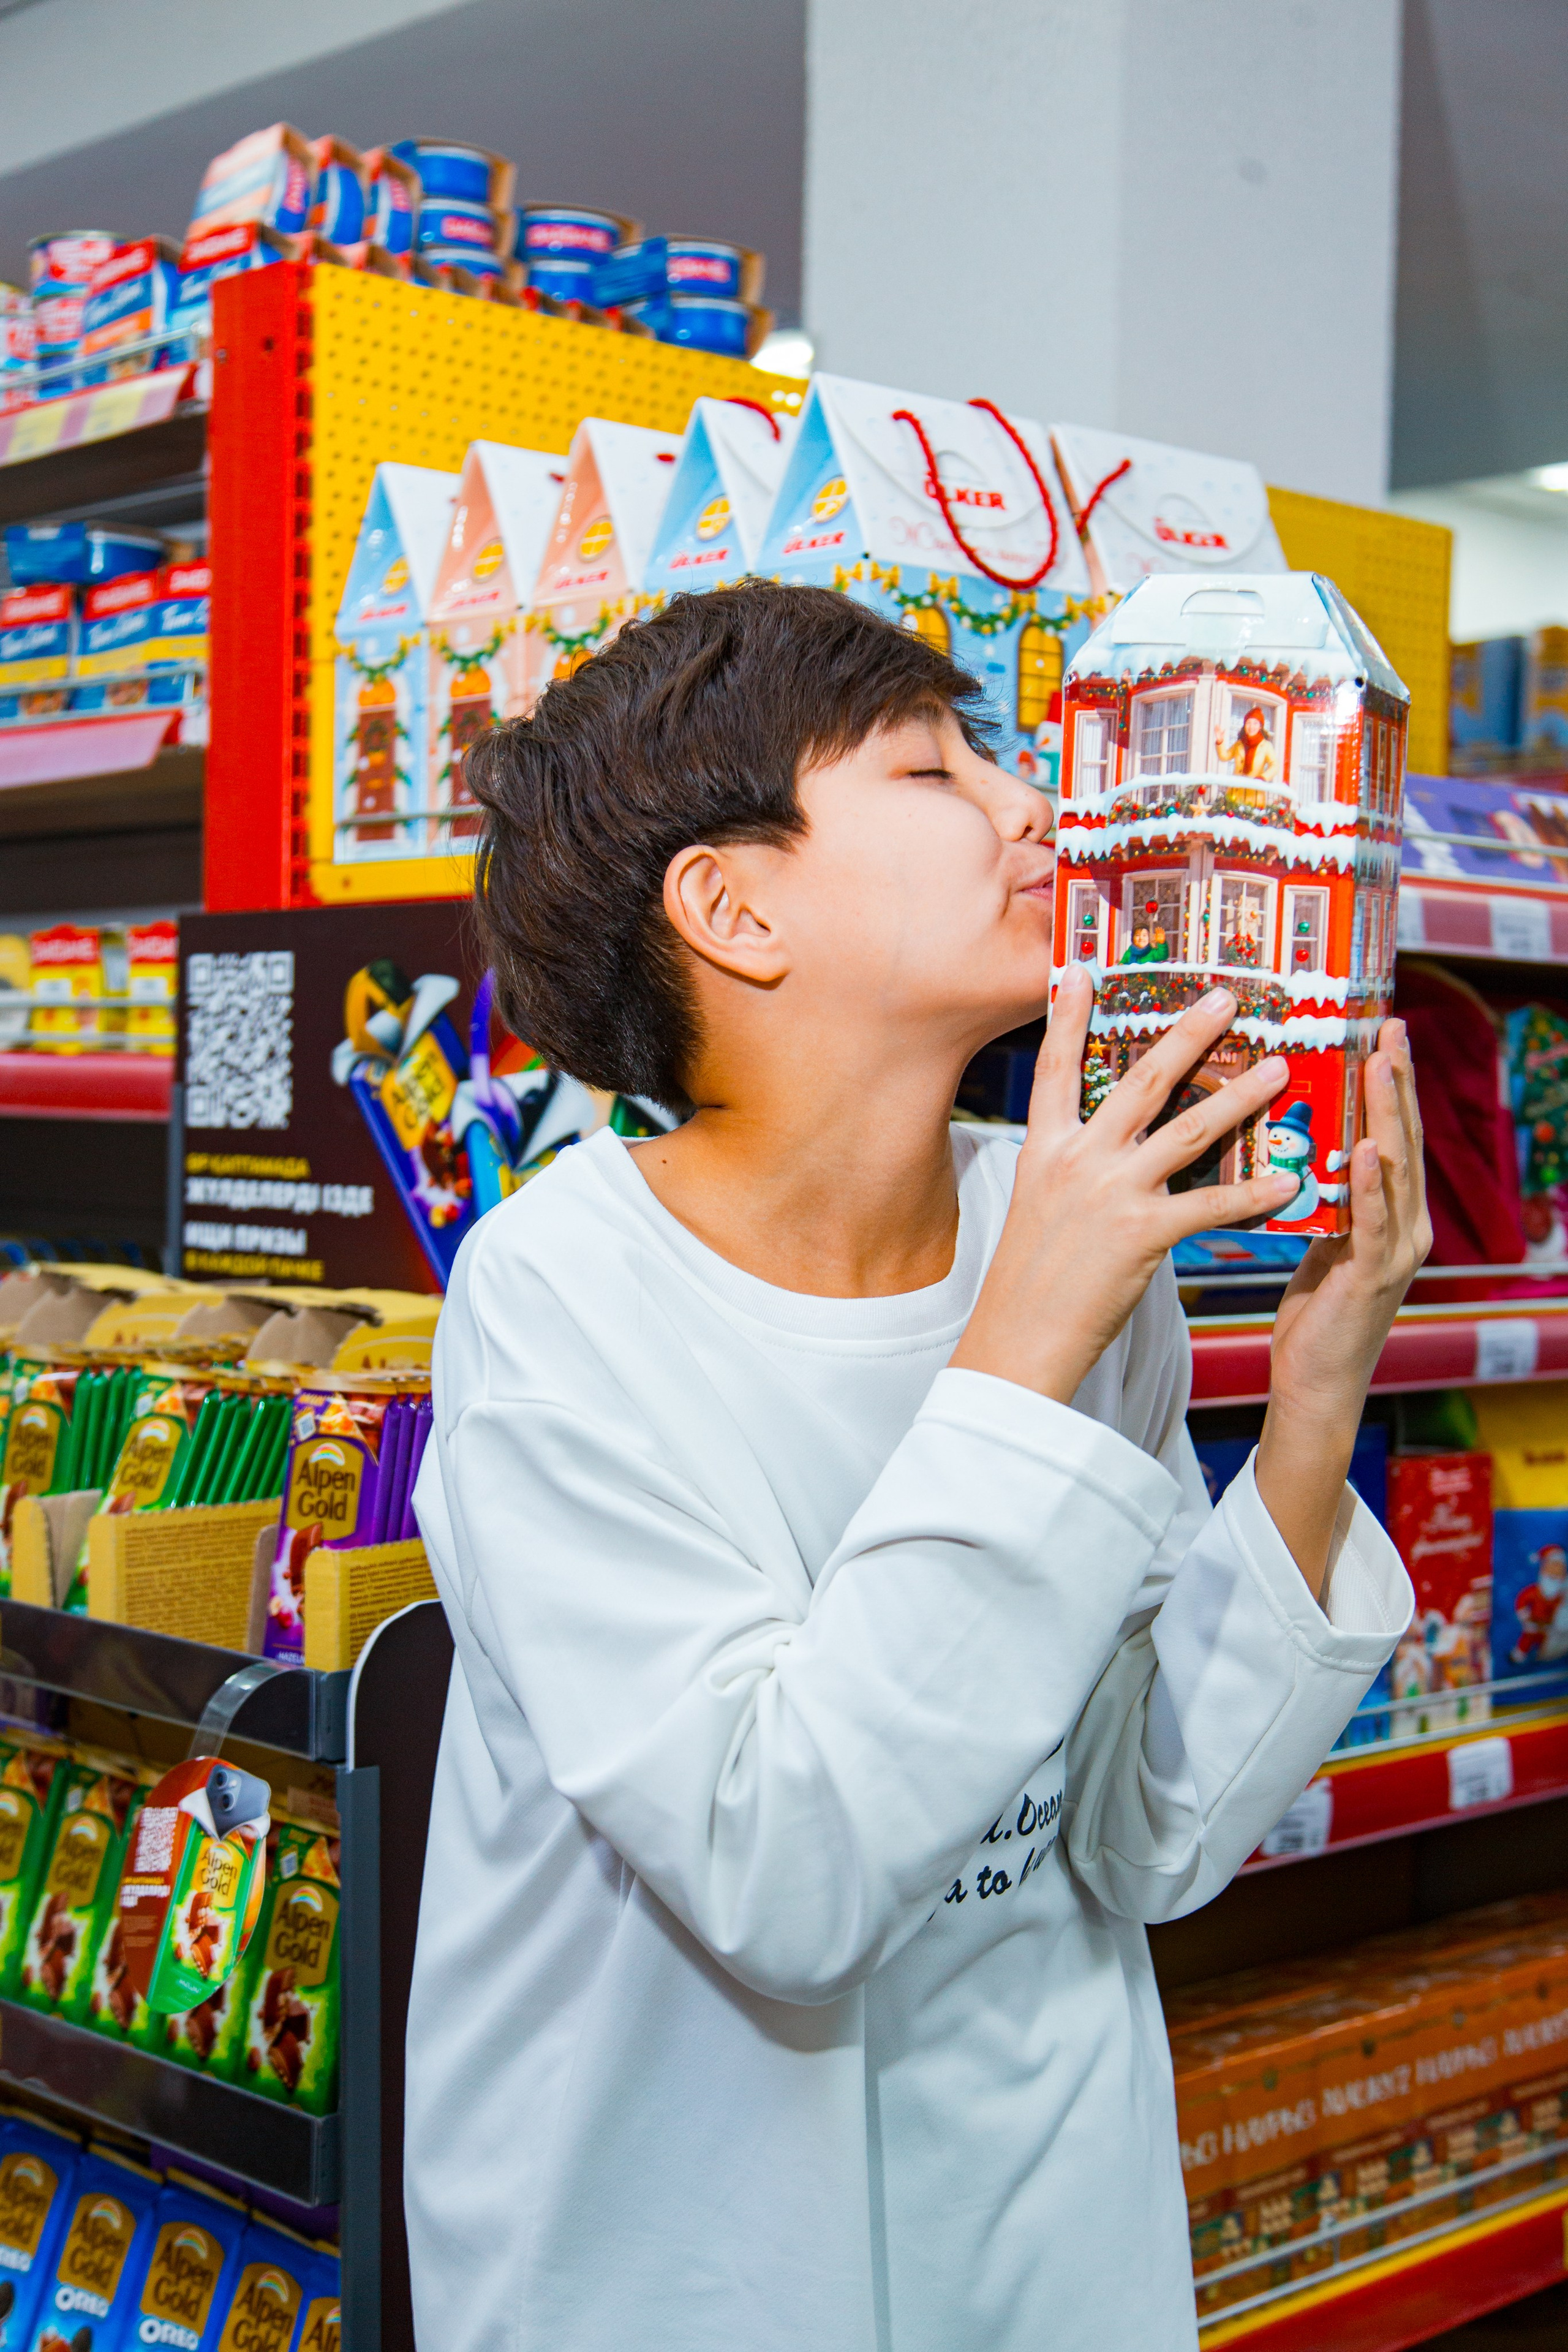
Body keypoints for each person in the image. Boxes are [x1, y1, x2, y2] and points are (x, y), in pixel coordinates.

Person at [405, 583, 1425, 2352]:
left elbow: (1139, 1839)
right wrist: (1031, 1325)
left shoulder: (1060, 1230)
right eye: (930, 768)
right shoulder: (564, 1295)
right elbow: (780, 1870)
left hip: (1041, 2234)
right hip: (687, 2270)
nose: (1041, 808)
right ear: (734, 906)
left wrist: (1321, 1379)